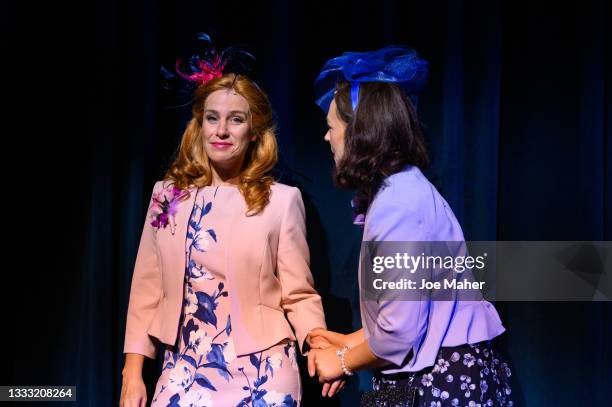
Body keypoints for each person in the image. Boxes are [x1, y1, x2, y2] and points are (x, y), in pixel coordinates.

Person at [120, 44, 333, 407]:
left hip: (263, 372)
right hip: (183, 368)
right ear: (199, 125)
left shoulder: (281, 200)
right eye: (212, 118)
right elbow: (146, 290)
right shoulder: (168, 195)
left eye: (236, 119)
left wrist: (322, 346)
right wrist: (132, 373)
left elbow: (298, 294)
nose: (221, 130)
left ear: (253, 132)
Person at [307, 46, 513, 406]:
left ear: (359, 132)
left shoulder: (397, 206)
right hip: (445, 372)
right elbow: (411, 310)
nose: (327, 138)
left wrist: (341, 361)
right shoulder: (403, 189)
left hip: (439, 382)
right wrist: (352, 340)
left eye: (332, 128)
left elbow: (401, 333)